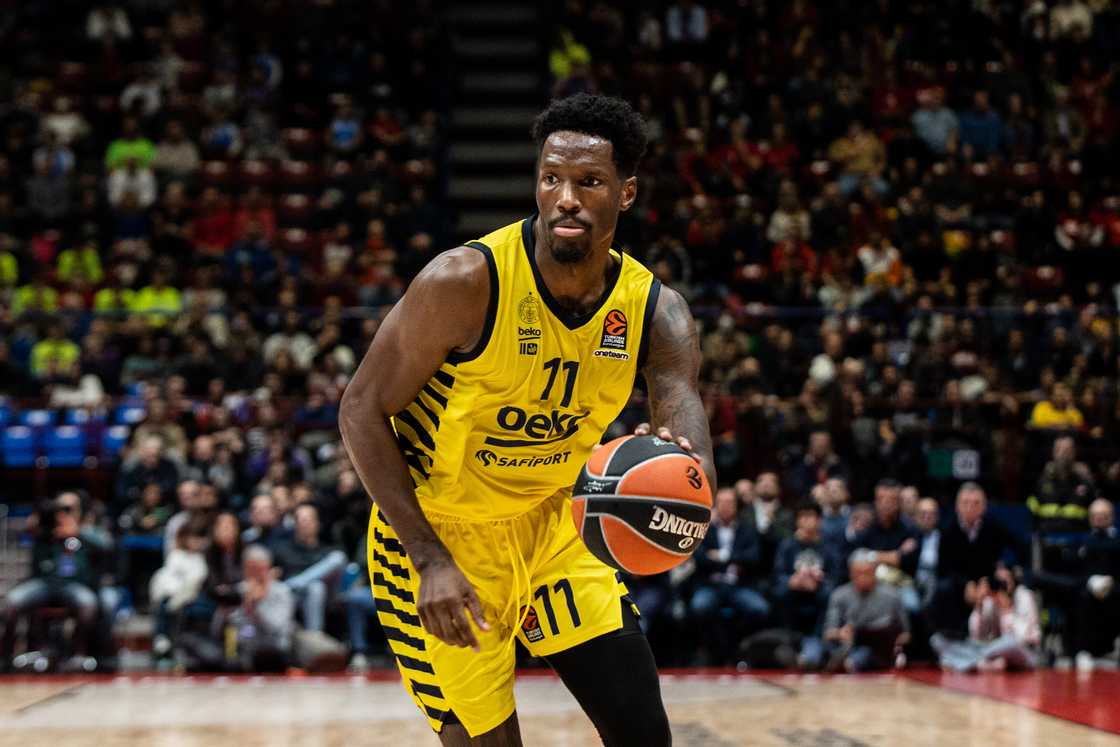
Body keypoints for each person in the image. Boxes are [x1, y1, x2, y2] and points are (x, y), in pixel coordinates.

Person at [339, 93, 713, 745]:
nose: (565, 196)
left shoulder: (656, 311)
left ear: (625, 194)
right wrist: (428, 558)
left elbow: (688, 438)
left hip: (558, 523)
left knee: (643, 730)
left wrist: (684, 486)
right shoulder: (462, 282)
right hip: (443, 537)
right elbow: (359, 409)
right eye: (551, 178)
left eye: (588, 181)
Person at [0, 492, 112, 672]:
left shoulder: (87, 530)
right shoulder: (46, 528)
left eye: (69, 509)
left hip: (74, 585)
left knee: (88, 604)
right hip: (43, 583)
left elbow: (106, 545)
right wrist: (40, 524)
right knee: (12, 602)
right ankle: (5, 657)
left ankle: (77, 654)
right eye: (61, 508)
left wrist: (78, 531)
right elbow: (27, 531)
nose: (64, 513)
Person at [689, 488, 769, 664]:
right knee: (700, 607)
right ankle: (712, 650)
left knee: (759, 609)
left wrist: (722, 556)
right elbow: (699, 556)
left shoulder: (747, 528)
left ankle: (740, 648)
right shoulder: (704, 528)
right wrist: (734, 559)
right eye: (721, 503)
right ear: (715, 505)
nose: (725, 507)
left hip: (739, 585)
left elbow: (753, 557)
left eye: (729, 502)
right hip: (711, 584)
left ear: (736, 506)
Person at [772, 502, 842, 670]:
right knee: (780, 592)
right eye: (803, 517)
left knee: (829, 594)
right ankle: (789, 639)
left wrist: (818, 581)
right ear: (797, 521)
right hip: (795, 589)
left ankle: (819, 641)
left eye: (811, 517)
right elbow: (778, 574)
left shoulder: (828, 546)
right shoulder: (788, 545)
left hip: (818, 590)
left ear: (819, 520)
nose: (806, 521)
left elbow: (836, 576)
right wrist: (792, 581)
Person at [931, 570, 1040, 672]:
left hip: (1023, 652)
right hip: (993, 651)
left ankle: (964, 662)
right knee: (937, 640)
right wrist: (979, 605)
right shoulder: (990, 600)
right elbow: (977, 637)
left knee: (1010, 641)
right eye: (997, 582)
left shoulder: (1024, 595)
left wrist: (1006, 611)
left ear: (1013, 579)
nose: (1001, 586)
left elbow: (1021, 637)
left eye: (1004, 581)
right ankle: (978, 663)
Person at [823, 550, 910, 672]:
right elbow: (828, 632)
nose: (863, 577)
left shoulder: (892, 595)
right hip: (850, 647)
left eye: (867, 572)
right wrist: (840, 633)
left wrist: (897, 642)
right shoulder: (839, 595)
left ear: (875, 572)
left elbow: (906, 633)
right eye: (858, 573)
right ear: (850, 573)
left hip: (882, 651)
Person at [273, 504, 348, 633]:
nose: (305, 524)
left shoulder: (326, 550)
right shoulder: (282, 549)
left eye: (309, 519)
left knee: (338, 558)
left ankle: (298, 582)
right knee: (315, 587)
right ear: (295, 524)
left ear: (317, 523)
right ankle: (315, 636)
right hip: (293, 596)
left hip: (326, 595)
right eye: (301, 520)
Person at [1073, 499, 1120, 670]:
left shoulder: (1117, 540)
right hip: (1089, 588)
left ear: (1112, 517)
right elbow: (1077, 570)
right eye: (1095, 516)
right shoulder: (1084, 542)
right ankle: (1084, 650)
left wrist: (1111, 582)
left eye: (1103, 516)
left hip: (1115, 587)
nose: (1099, 520)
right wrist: (1091, 581)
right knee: (1082, 596)